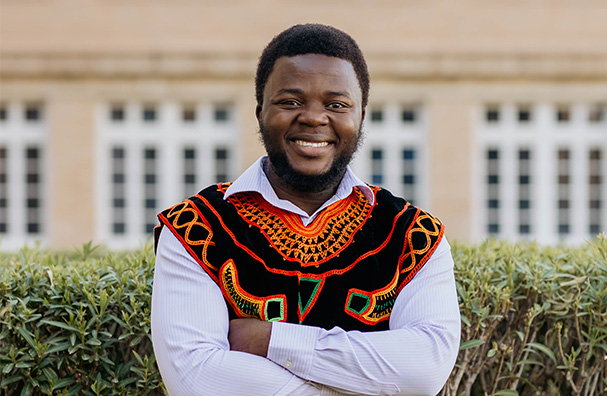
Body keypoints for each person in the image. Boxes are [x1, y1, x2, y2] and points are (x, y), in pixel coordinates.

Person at [151, 24, 460, 396]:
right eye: (291, 101)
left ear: (361, 116)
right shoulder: (196, 228)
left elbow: (425, 370)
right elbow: (196, 378)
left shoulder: (413, 235)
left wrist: (272, 340)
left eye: (336, 104)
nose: (314, 118)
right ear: (260, 111)